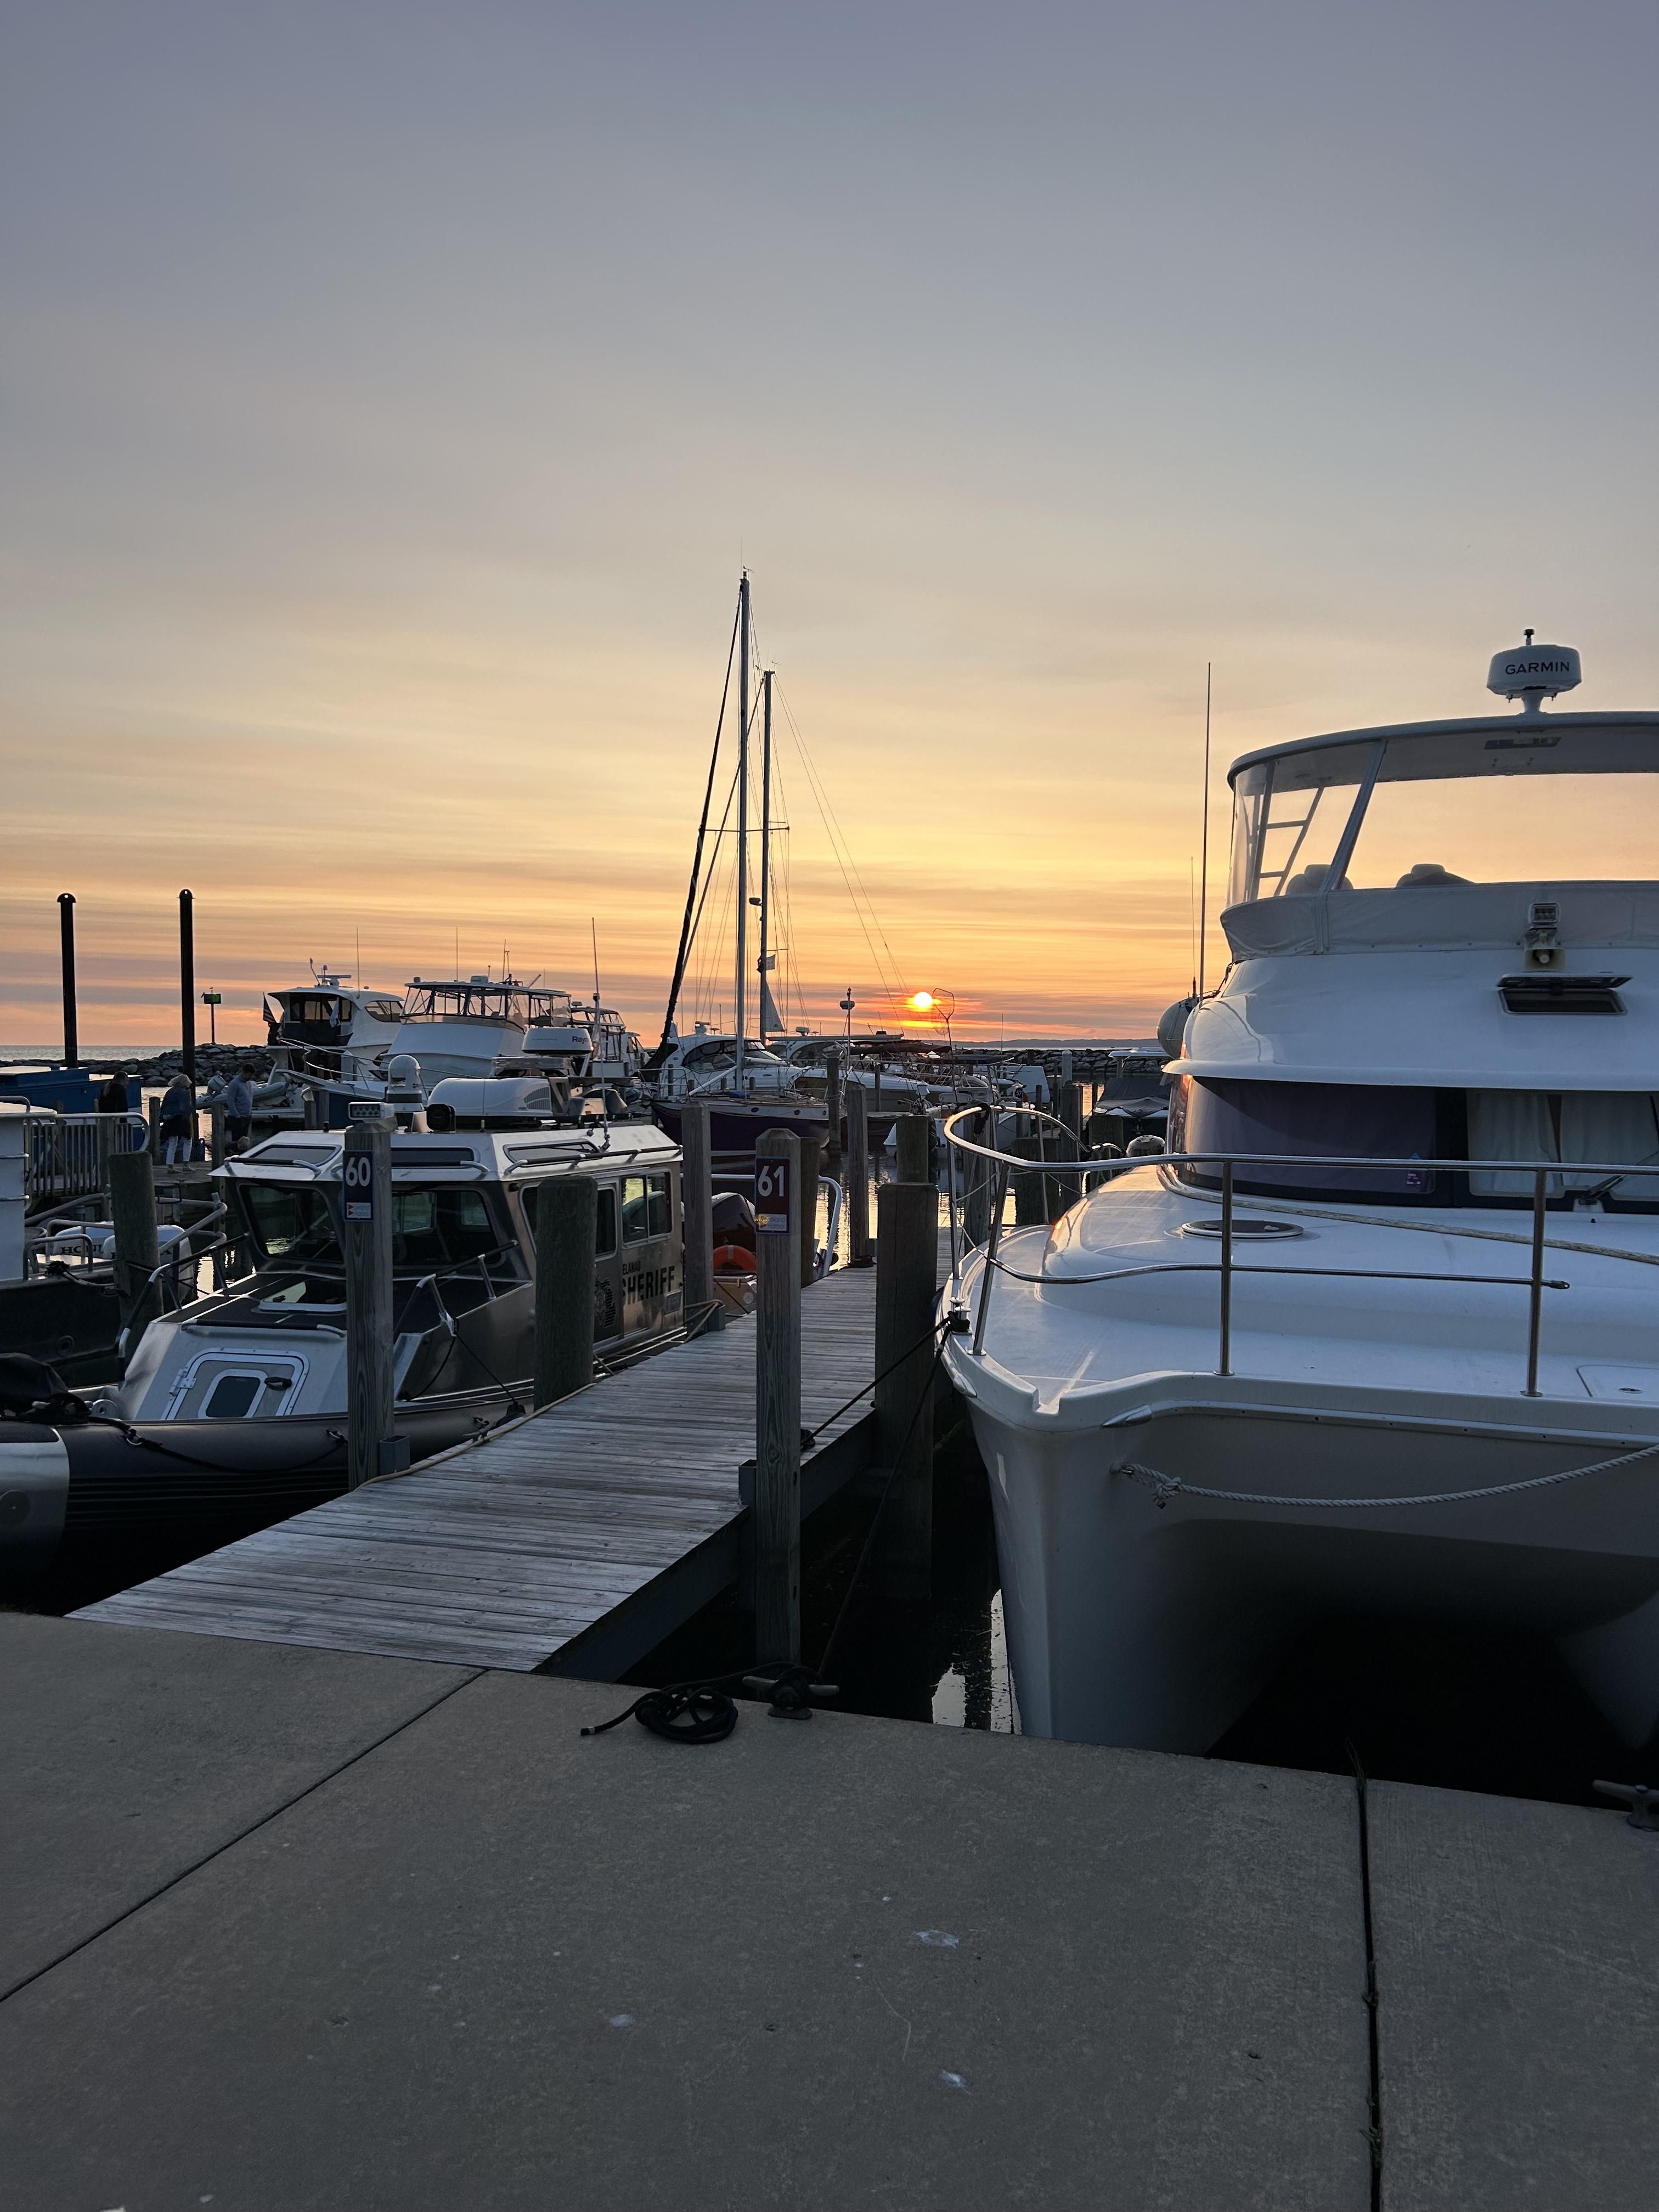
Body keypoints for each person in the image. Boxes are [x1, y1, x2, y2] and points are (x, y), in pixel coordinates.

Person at [158, 1073, 194, 1166]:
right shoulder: (183, 1092)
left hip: (169, 1121)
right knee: (188, 1141)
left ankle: (170, 1165)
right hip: (181, 1120)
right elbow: (185, 1107)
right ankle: (186, 1164)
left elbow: (164, 1106)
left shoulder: (169, 1092)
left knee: (172, 1143)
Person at [224, 1064, 256, 1153]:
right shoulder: (235, 1084)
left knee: (245, 1141)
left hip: (247, 1116)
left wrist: (250, 1112)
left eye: (251, 1075)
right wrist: (237, 1115)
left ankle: (243, 1156)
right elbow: (230, 1100)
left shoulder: (249, 1084)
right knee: (237, 1140)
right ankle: (231, 1151)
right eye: (249, 1075)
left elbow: (249, 1098)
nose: (250, 1077)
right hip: (237, 1117)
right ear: (243, 1072)